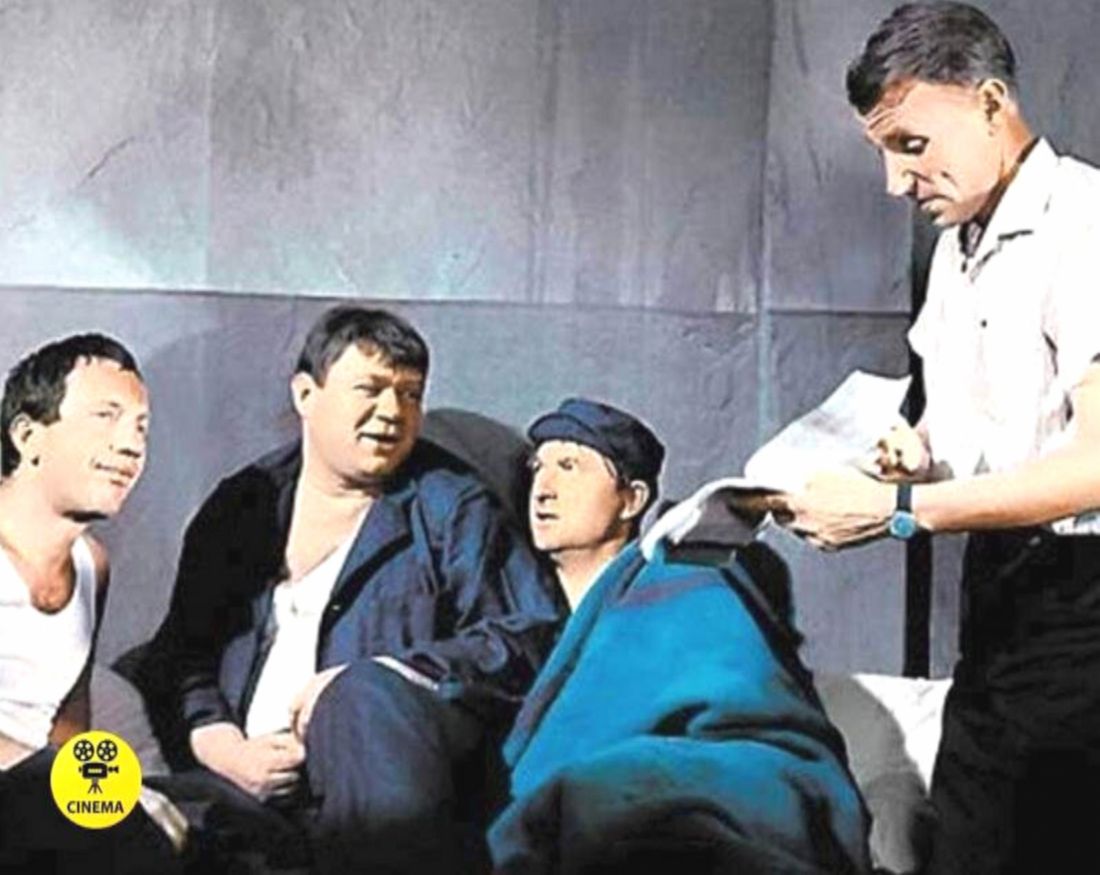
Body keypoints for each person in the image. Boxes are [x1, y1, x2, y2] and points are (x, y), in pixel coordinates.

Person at [774, 3, 1100, 872]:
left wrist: (900, 510)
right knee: (966, 837)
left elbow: (1099, 463)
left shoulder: (1086, 224)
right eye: (883, 152)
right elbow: (964, 421)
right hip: (1000, 590)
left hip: (1084, 600)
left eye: (911, 145)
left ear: (991, 102)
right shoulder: (960, 243)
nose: (895, 183)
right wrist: (910, 452)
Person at [145, 305, 566, 872]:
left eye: (410, 395)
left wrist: (382, 678)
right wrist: (221, 746)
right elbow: (180, 655)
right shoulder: (242, 506)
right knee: (94, 801)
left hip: (370, 795)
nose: (392, 412)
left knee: (359, 695)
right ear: (305, 394)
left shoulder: (454, 506)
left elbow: (527, 638)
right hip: (234, 792)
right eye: (370, 389)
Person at [488, 398, 870, 874]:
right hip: (558, 812)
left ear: (632, 500)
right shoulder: (511, 614)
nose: (543, 489)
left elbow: (746, 704)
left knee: (610, 797)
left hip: (689, 781)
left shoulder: (682, 581)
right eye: (538, 468)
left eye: (569, 467)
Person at [0, 334, 172, 870]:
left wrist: (111, 791)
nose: (131, 446)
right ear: (28, 435)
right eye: (106, 416)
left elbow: (69, 729)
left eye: (141, 427)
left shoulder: (91, 565)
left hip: (41, 801)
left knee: (233, 819)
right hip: (24, 790)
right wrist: (99, 794)